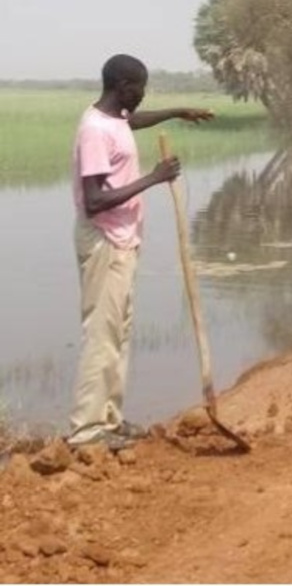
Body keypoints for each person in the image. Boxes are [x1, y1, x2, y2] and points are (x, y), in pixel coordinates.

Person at [68, 54, 214, 450]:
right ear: (124, 87)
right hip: (104, 240)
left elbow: (131, 122)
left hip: (123, 240)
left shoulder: (114, 120)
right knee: (102, 335)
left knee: (120, 334)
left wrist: (177, 112)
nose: (144, 93)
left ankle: (109, 420)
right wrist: (154, 178)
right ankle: (86, 431)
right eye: (141, 87)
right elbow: (95, 199)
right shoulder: (95, 130)